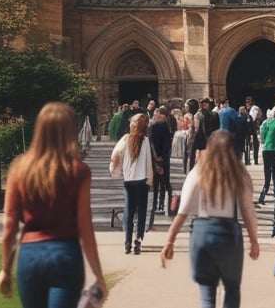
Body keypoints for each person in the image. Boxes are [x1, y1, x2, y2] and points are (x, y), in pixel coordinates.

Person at [0, 102, 108, 308]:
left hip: (30, 255)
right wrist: (98, 274)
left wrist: (5, 268)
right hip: (65, 253)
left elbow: (10, 224)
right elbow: (85, 227)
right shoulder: (78, 171)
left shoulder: (19, 168)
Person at [161, 130, 260, 308]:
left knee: (207, 292)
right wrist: (254, 240)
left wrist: (170, 241)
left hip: (202, 232)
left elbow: (182, 212)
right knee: (232, 288)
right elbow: (247, 211)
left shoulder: (199, 172)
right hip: (228, 233)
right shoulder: (239, 174)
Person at [109, 112, 154, 255]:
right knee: (141, 211)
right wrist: (149, 178)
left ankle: (127, 242)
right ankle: (138, 240)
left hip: (128, 180)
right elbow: (148, 162)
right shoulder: (146, 141)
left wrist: (117, 170)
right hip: (142, 180)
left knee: (128, 210)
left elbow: (115, 155)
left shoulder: (125, 139)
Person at [257, 107, 275, 204]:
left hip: (267, 149)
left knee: (267, 170)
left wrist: (264, 141)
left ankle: (265, 190)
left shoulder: (266, 122)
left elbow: (262, 134)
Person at [149, 106, 174, 215]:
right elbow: (166, 145)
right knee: (163, 183)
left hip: (158, 158)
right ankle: (162, 205)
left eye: (157, 115)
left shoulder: (157, 126)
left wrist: (157, 158)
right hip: (161, 158)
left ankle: (158, 205)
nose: (155, 117)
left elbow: (156, 144)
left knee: (160, 183)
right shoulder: (162, 126)